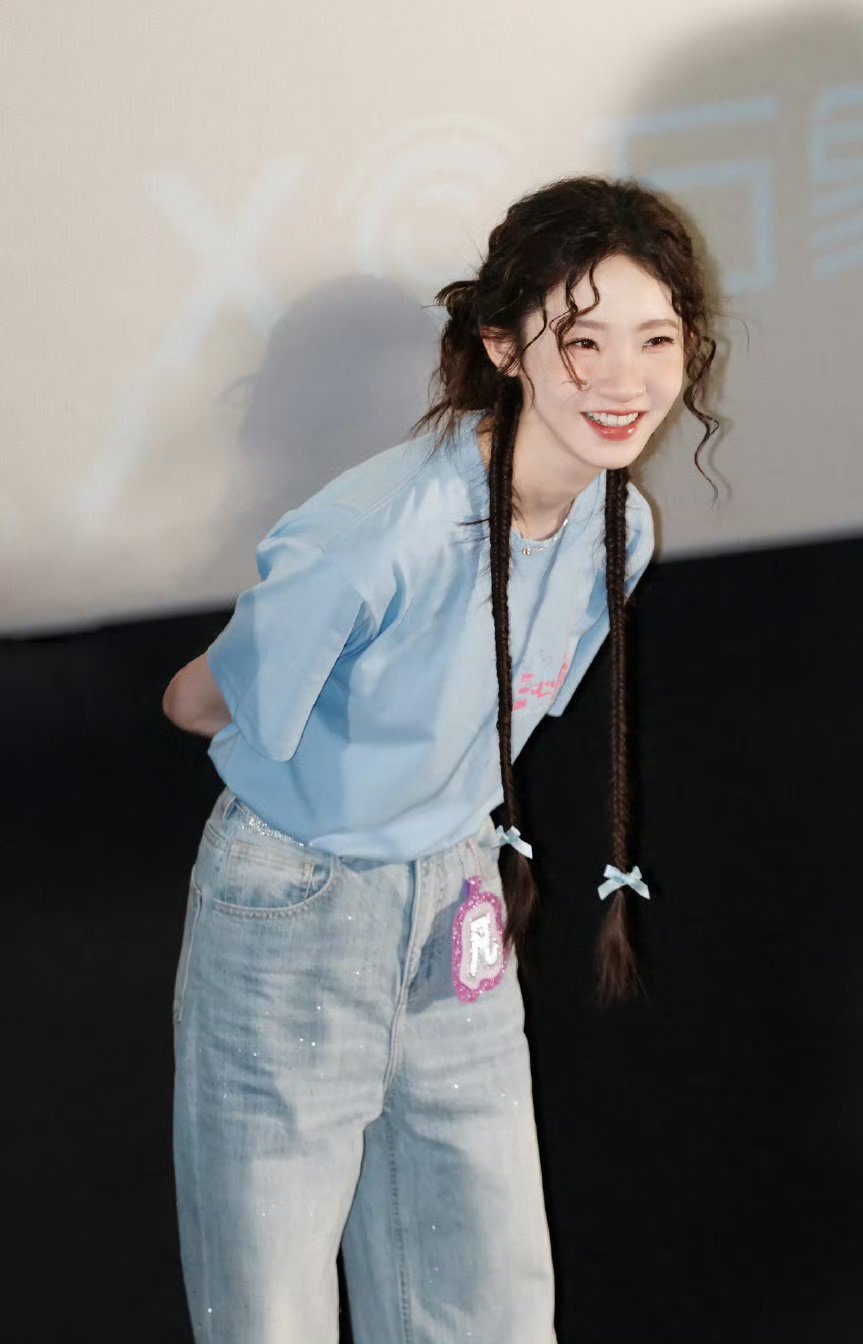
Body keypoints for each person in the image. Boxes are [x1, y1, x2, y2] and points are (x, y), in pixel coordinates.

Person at [162, 174, 719, 1344]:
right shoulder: (378, 534)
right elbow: (195, 703)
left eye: (657, 339)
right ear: (505, 346)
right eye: (584, 341)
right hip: (302, 891)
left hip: (458, 880)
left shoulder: (622, 529)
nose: (624, 379)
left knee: (486, 1282)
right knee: (272, 1297)